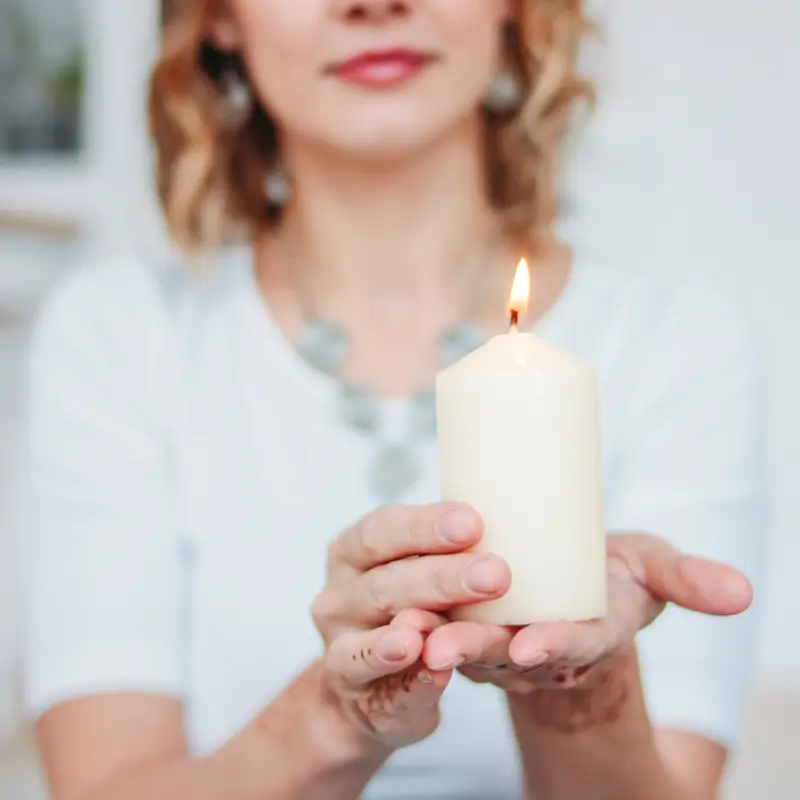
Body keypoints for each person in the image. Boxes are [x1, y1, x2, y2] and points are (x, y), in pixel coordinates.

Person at [20, 1, 764, 798]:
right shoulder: (121, 340)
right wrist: (337, 716)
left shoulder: (675, 346)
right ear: (218, 18)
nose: (373, 4)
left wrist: (580, 680)